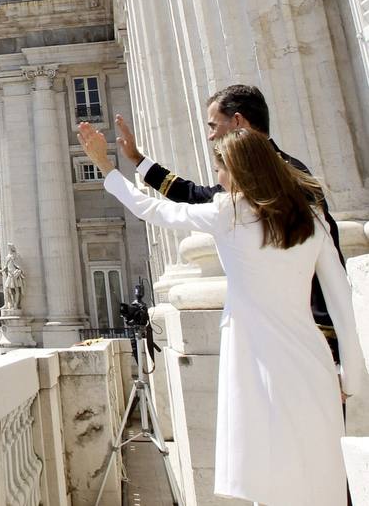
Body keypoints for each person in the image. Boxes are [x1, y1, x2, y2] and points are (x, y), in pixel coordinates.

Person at [78, 121, 365, 505]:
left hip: (256, 362)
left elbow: (151, 209)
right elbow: (343, 301)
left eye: (220, 169)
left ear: (240, 170)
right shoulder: (312, 218)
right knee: (323, 477)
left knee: (270, 479)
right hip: (314, 364)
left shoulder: (227, 213)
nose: (218, 179)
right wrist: (351, 377)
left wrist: (105, 166)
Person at [114, 83, 346, 357]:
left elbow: (324, 262)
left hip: (303, 334)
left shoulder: (286, 178)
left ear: (237, 121)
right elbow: (194, 195)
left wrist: (329, 337)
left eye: (213, 125)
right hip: (267, 336)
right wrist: (138, 160)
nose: (211, 136)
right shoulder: (255, 179)